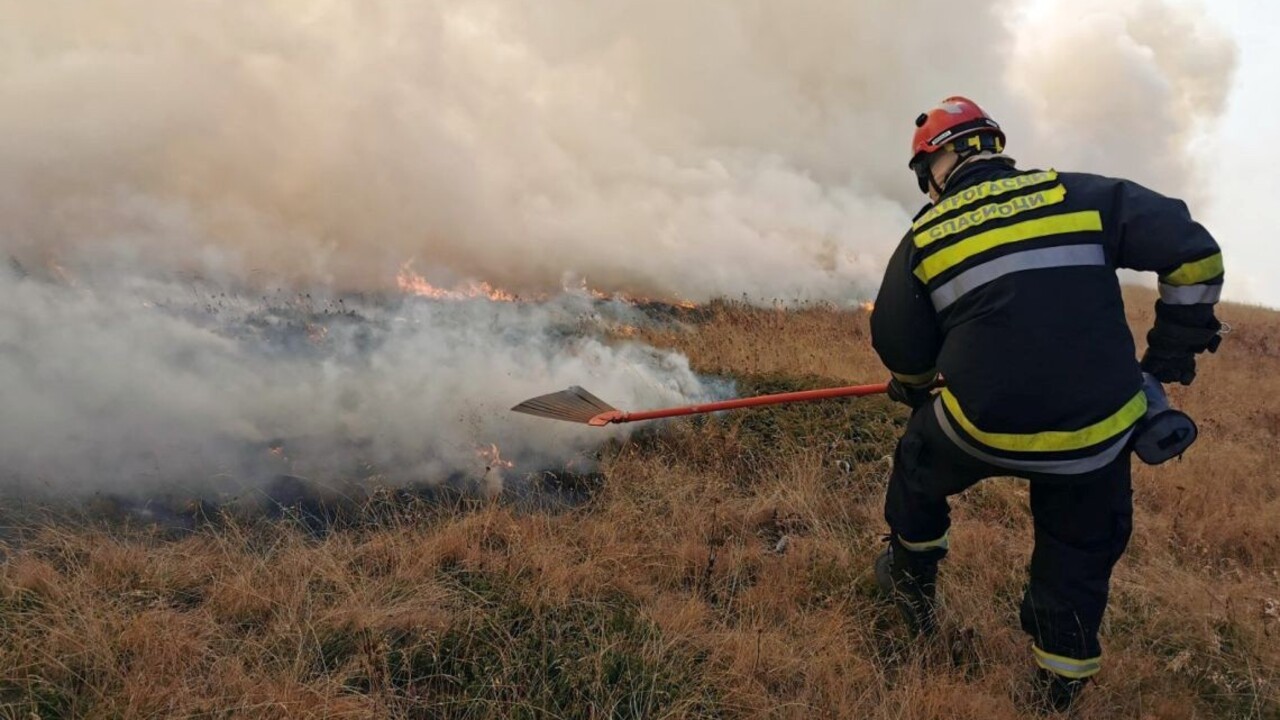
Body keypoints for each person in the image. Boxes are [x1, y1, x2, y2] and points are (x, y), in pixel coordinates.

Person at [869, 96, 1224, 711]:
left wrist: (916, 383)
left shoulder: (924, 237)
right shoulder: (1083, 195)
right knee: (1079, 548)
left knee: (920, 463)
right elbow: (1195, 254)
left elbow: (898, 343)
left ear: (940, 162)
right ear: (994, 149)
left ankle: (909, 584)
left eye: (925, 173)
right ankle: (1059, 684)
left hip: (980, 426)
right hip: (1097, 435)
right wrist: (1168, 358)